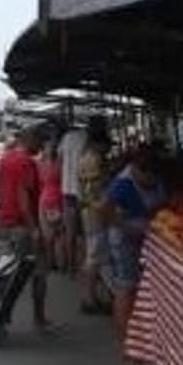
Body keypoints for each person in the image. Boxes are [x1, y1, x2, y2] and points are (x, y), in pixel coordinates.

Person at [96, 147, 165, 342]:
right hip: (125, 241)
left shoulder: (152, 179)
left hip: (143, 237)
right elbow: (101, 210)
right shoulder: (123, 184)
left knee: (135, 285)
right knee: (126, 286)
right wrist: (124, 226)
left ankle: (136, 332)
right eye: (150, 178)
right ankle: (125, 337)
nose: (153, 182)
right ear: (138, 170)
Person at [0, 124, 55, 333]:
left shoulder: (5, 159)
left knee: (5, 272)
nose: (42, 146)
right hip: (21, 225)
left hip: (3, 222)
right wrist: (35, 228)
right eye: (41, 142)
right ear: (31, 140)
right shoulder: (26, 162)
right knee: (38, 271)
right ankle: (39, 318)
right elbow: (23, 197)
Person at [78, 129, 113, 315]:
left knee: (98, 255)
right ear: (99, 144)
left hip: (90, 210)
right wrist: (102, 207)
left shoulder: (86, 157)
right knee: (94, 255)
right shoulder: (94, 160)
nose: (108, 150)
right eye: (106, 146)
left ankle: (96, 296)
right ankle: (88, 299)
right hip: (94, 212)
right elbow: (94, 190)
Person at [58, 123, 88, 275]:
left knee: (69, 232)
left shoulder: (65, 138)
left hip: (66, 191)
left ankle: (70, 266)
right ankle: (83, 266)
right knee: (83, 233)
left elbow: (59, 160)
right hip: (82, 193)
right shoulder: (86, 138)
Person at [37, 138, 65, 271]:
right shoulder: (60, 165)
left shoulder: (40, 164)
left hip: (44, 199)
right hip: (57, 199)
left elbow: (38, 183)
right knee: (59, 233)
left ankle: (51, 261)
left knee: (48, 235)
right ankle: (60, 262)